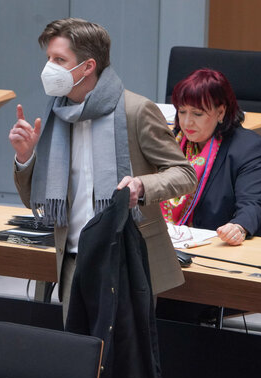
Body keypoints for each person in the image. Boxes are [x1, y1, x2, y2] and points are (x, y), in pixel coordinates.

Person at [10, 18, 197, 321]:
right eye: (49, 59)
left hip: (126, 261)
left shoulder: (135, 111)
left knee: (124, 364)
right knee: (79, 361)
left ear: (87, 67)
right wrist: (25, 156)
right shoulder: (55, 117)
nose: (49, 69)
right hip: (73, 260)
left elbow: (185, 174)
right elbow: (33, 200)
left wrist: (141, 186)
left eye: (59, 60)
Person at [161, 68, 261, 243]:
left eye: (197, 114)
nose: (186, 122)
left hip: (226, 245)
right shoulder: (173, 143)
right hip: (176, 245)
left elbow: (253, 204)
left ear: (221, 112)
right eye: (182, 111)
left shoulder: (248, 148)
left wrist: (238, 227)